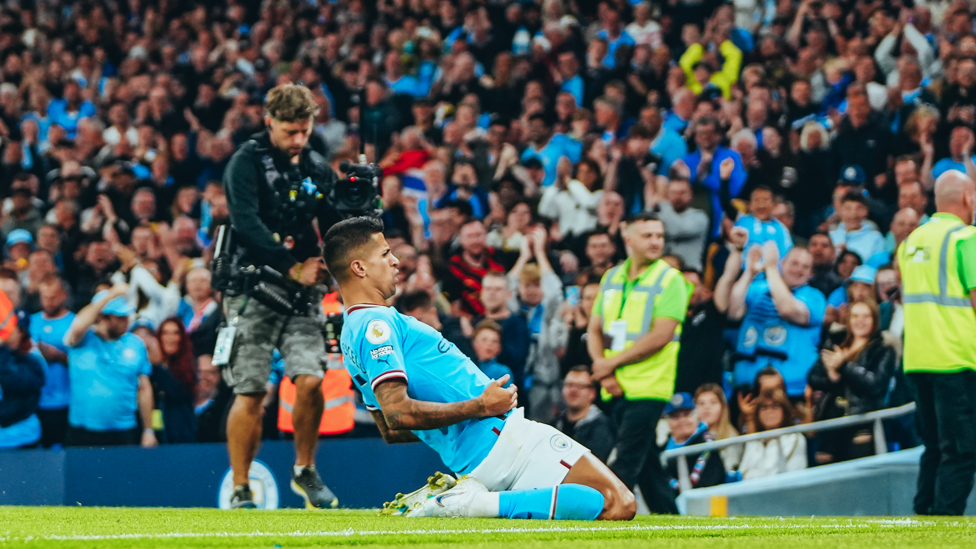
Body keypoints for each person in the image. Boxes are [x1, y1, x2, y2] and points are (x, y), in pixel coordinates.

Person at [323, 216, 636, 521]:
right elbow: (397, 414)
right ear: (359, 267)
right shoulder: (377, 324)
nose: (395, 261)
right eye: (385, 253)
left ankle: (474, 501)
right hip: (500, 437)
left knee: (593, 510)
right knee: (617, 503)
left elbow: (391, 431)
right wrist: (479, 406)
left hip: (477, 457)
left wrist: (461, 423)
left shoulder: (351, 333)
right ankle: (470, 504)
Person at [218, 84, 339, 509]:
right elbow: (246, 223)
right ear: (269, 121)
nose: (299, 140)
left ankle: (304, 470)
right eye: (290, 131)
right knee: (251, 391)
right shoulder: (244, 164)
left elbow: (333, 225)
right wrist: (291, 265)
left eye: (304, 131)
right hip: (251, 288)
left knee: (311, 379)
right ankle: (240, 486)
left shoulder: (319, 168)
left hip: (302, 290)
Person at [587, 212, 691, 514]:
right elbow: (594, 329)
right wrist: (602, 367)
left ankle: (603, 515)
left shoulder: (671, 280)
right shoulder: (612, 277)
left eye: (659, 235)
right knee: (648, 466)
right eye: (648, 235)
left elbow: (661, 335)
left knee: (626, 460)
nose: (656, 241)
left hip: (650, 385)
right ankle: (669, 517)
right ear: (627, 237)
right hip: (614, 385)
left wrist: (609, 364)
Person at [897, 170, 976, 515]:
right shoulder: (966, 238)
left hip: (917, 360)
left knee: (933, 447)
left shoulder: (911, 241)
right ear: (968, 198)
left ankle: (924, 523)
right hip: (957, 359)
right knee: (960, 452)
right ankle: (945, 534)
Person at [728, 243, 826, 400]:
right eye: (794, 263)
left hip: (791, 392)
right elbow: (733, 312)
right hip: (746, 389)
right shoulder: (758, 288)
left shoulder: (814, 297)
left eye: (805, 267)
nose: (799, 270)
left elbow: (788, 309)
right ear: (783, 264)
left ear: (811, 273)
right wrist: (749, 273)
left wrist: (771, 269)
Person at [62, 284, 156, 448]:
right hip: (82, 431)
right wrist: (108, 295)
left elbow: (144, 388)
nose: (126, 321)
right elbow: (78, 325)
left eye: (126, 316)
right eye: (119, 317)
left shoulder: (135, 344)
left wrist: (148, 430)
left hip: (124, 430)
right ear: (102, 318)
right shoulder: (81, 339)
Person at [808, 300, 896, 465]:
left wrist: (843, 366)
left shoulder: (883, 349)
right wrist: (832, 378)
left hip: (862, 421)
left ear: (875, 320)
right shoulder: (835, 341)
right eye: (855, 316)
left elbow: (876, 385)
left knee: (860, 474)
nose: (860, 321)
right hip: (830, 420)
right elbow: (813, 377)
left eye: (866, 316)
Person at [29, 275, 74, 447]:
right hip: (37, 400)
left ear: (64, 295)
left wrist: (59, 356)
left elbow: (85, 365)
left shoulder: (74, 323)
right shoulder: (31, 321)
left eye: (53, 297)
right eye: (45, 297)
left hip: (66, 400)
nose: (48, 302)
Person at [0, 303, 46, 449]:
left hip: (22, 438)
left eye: (17, 330)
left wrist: (3, 349)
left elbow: (12, 381)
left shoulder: (34, 359)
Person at [663, 393, 727, 493]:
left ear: (696, 415)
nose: (682, 420)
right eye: (675, 417)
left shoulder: (708, 445)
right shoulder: (661, 451)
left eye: (687, 414)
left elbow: (711, 484)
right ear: (667, 421)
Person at [738, 390, 807, 480]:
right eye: (764, 407)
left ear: (784, 411)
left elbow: (777, 476)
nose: (769, 411)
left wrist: (752, 474)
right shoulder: (755, 441)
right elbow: (741, 474)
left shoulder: (795, 439)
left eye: (775, 406)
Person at [552, 366, 616, 464]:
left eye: (580, 386)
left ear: (592, 393)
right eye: (569, 385)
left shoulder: (604, 428)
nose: (573, 390)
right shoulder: (553, 425)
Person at [829, 191, 886, 268]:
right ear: (841, 211)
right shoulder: (831, 235)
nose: (853, 213)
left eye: (859, 208)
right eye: (848, 208)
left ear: (866, 211)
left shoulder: (876, 238)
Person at [694, 384, 743, 472]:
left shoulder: (732, 438)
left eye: (713, 402)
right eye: (701, 403)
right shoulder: (689, 438)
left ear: (722, 407)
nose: (707, 407)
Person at [472, 320, 513, 386]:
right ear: (474, 342)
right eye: (484, 340)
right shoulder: (466, 368)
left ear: (499, 347)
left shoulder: (502, 372)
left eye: (494, 341)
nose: (489, 344)